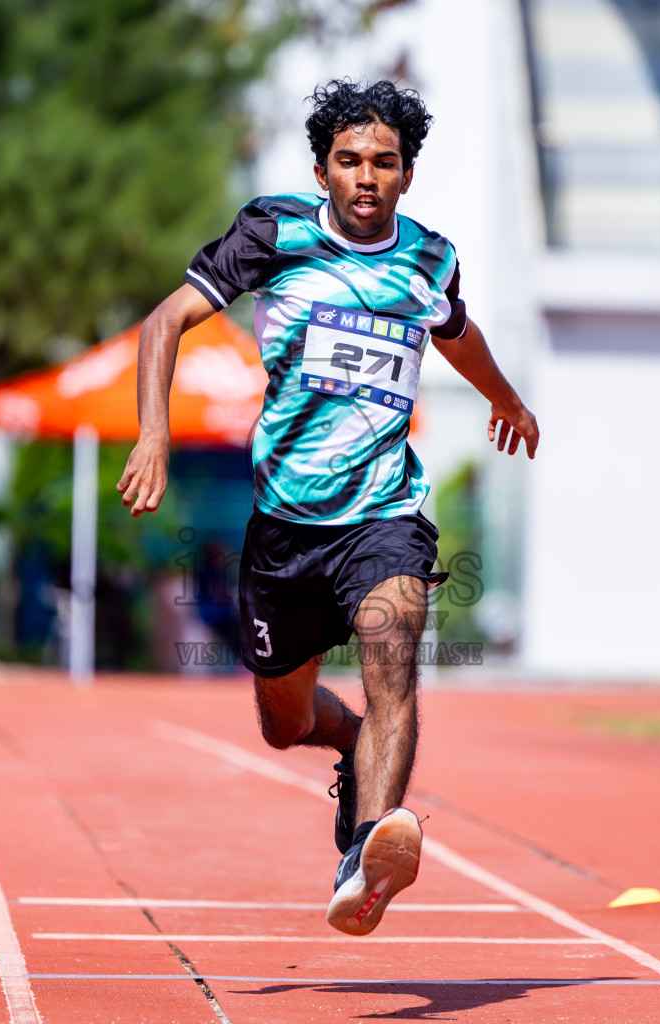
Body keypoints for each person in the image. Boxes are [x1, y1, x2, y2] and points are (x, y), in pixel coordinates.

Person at [117, 78, 539, 935]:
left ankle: (366, 851)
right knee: (286, 721)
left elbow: (459, 334)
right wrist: (152, 434)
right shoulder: (275, 234)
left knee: (394, 648)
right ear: (323, 170)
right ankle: (348, 747)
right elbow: (165, 323)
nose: (367, 177)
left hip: (384, 512)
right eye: (349, 162)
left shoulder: (430, 259)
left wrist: (506, 398)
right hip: (284, 529)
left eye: (384, 163)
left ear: (406, 176)